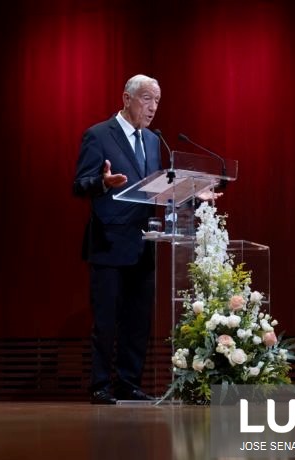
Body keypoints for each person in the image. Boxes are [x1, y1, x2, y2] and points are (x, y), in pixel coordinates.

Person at [73, 74, 162, 404]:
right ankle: (100, 385)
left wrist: (193, 197)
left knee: (138, 320)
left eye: (157, 101)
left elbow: (156, 189)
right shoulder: (98, 135)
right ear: (127, 98)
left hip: (143, 243)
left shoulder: (153, 140)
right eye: (147, 99)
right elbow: (79, 185)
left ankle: (129, 383)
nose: (153, 107)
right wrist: (103, 182)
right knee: (106, 320)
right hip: (109, 242)